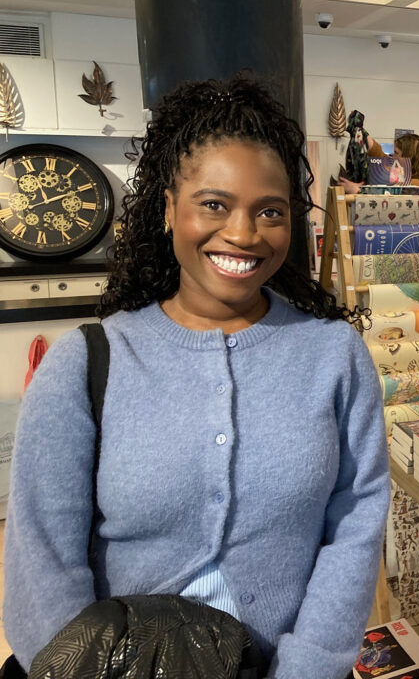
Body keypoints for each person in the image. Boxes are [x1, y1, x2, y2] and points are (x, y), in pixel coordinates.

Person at [3, 76, 390, 678]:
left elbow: (356, 526)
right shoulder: (87, 362)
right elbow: (42, 558)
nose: (242, 233)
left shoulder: (332, 355)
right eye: (214, 204)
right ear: (167, 209)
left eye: (270, 211)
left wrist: (308, 668)